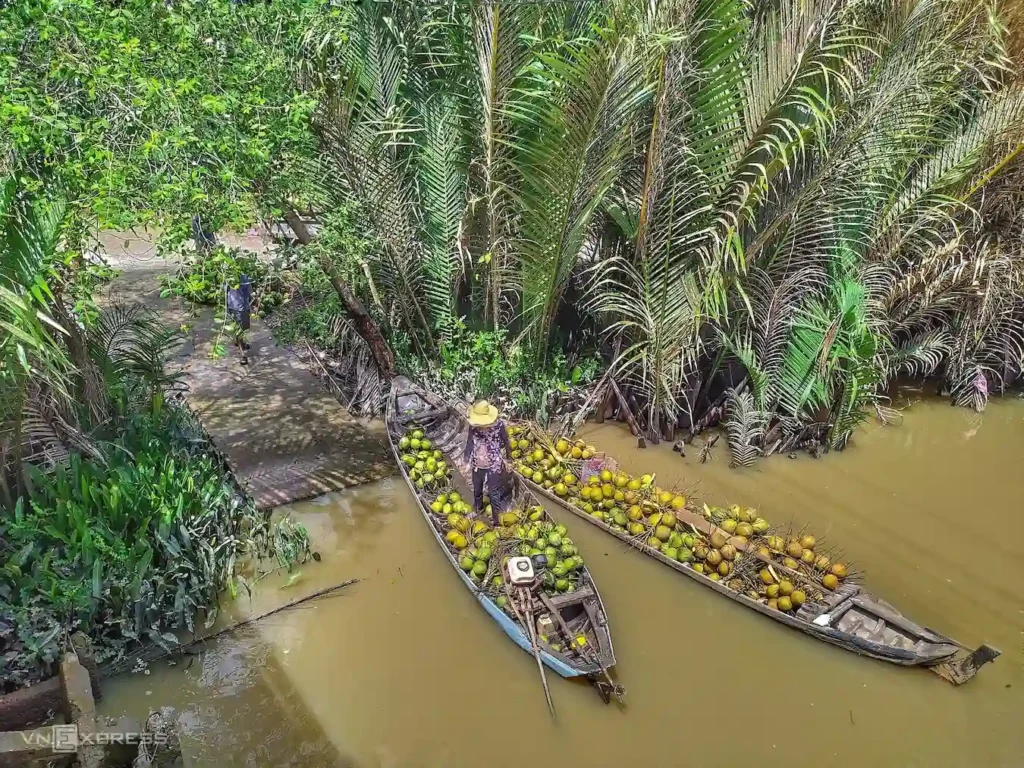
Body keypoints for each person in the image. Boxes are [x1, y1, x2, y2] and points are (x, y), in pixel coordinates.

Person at [462, 400, 513, 525]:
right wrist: (466, 460)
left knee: (493, 493)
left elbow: (506, 442)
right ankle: (477, 507)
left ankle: (496, 521)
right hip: (477, 462)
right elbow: (470, 442)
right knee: (477, 487)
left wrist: (509, 459)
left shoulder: (499, 426)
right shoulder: (473, 427)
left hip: (494, 464)